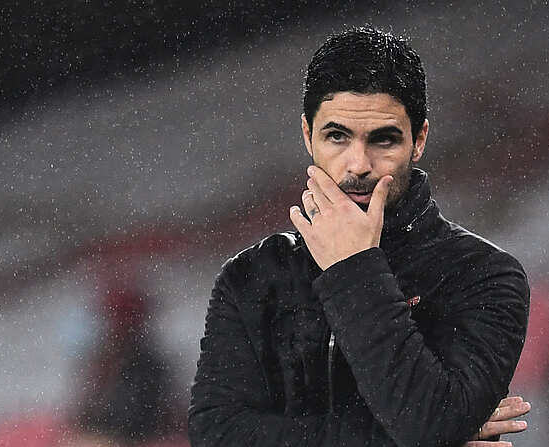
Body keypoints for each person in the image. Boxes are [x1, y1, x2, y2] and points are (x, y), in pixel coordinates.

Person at [189, 27, 530, 446]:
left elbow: (428, 425)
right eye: (337, 136)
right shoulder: (252, 276)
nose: (358, 164)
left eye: (383, 139)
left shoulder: (485, 276)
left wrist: (354, 268)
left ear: (418, 140)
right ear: (306, 135)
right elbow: (217, 436)